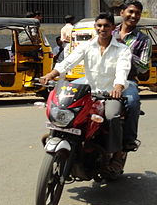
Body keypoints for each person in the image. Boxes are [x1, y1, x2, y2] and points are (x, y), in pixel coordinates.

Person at [39, 12, 131, 151]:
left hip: (109, 94)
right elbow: (68, 62)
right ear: (95, 27)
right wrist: (50, 75)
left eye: (106, 26)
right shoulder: (86, 46)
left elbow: (122, 70)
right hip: (88, 93)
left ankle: (115, 153)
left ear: (113, 27)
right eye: (99, 25)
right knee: (68, 112)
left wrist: (117, 87)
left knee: (112, 117)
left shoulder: (122, 49)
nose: (102, 29)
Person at [115, 0, 151, 153]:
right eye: (130, 11)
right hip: (103, 78)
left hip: (127, 81)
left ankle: (129, 140)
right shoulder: (108, 31)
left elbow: (143, 67)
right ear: (122, 13)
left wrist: (125, 51)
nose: (134, 15)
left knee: (132, 101)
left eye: (137, 13)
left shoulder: (143, 39)